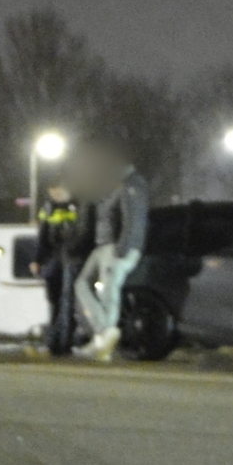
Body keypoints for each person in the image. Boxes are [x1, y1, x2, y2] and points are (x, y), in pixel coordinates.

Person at [74, 147, 149, 360]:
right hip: (103, 245)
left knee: (109, 291)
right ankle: (103, 333)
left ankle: (103, 336)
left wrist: (123, 248)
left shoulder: (132, 184)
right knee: (82, 285)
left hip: (115, 247)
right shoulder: (116, 185)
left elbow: (134, 219)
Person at [34, 182, 88, 355]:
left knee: (66, 302)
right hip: (54, 258)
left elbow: (83, 232)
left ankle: (64, 343)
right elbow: (43, 235)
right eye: (52, 190)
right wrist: (37, 259)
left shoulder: (77, 205)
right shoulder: (48, 208)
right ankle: (54, 342)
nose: (54, 193)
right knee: (54, 301)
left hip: (71, 257)